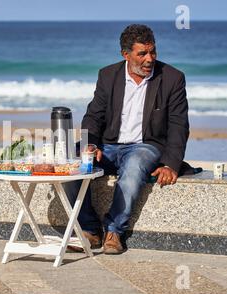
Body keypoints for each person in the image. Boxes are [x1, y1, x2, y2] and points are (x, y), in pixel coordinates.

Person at [64, 24, 189, 254]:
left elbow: (179, 126)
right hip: (109, 145)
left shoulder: (172, 78)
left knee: (134, 165)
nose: (149, 59)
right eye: (142, 53)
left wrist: (171, 164)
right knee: (71, 161)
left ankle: (114, 231)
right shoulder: (108, 75)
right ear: (126, 54)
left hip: (146, 146)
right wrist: (91, 144)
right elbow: (93, 116)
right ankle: (90, 229)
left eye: (153, 52)